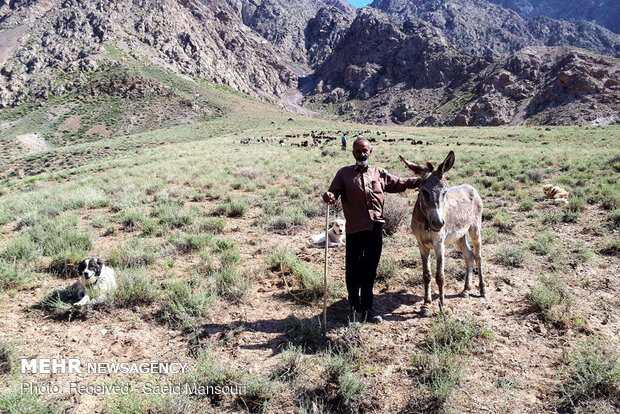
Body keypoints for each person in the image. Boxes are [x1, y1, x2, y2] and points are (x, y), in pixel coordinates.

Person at [322, 137, 420, 323]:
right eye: (358, 151)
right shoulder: (344, 174)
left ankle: (368, 308)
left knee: (370, 270)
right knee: (353, 270)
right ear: (353, 153)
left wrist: (420, 181)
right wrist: (329, 196)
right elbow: (333, 192)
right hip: (355, 230)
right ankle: (353, 306)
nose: (362, 154)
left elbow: (398, 183)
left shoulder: (379, 173)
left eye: (365, 150)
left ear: (370, 152)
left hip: (375, 229)